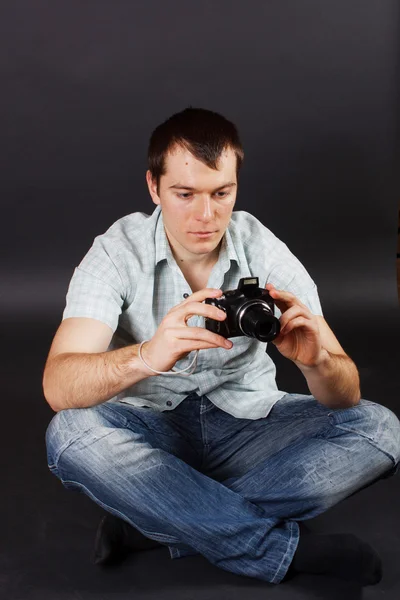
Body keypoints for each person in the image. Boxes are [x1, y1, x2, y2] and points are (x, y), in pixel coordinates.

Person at [43, 106, 400, 586]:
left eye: (221, 193)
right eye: (184, 194)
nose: (205, 215)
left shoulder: (260, 245)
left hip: (246, 422)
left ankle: (156, 522)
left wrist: (317, 364)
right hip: (148, 426)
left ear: (235, 186)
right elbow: (60, 386)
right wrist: (148, 355)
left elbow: (345, 395)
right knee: (70, 434)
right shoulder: (115, 251)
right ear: (154, 187)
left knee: (380, 428)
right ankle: (279, 549)